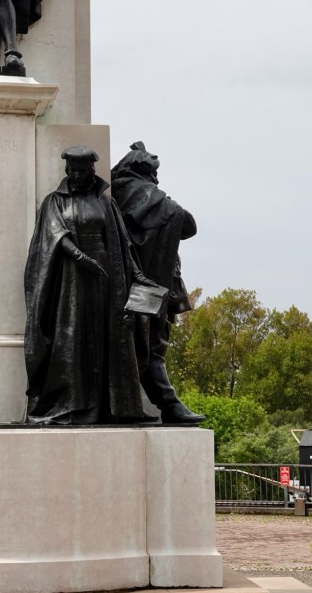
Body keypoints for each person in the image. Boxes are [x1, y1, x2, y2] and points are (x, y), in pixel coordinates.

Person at [24, 146, 153, 425]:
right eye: (72, 171)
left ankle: (106, 405)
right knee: (73, 337)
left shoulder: (105, 202)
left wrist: (136, 274)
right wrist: (82, 259)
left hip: (106, 276)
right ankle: (73, 403)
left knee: (107, 335)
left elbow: (122, 243)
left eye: (81, 171)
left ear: (91, 171)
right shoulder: (54, 201)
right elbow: (56, 235)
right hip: (72, 277)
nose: (76, 175)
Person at [111, 141, 205, 426]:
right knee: (151, 346)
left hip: (132, 285)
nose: (158, 181)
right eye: (155, 174)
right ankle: (169, 404)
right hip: (148, 287)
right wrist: (164, 201)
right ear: (146, 172)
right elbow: (187, 223)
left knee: (143, 345)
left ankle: (160, 404)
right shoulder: (151, 197)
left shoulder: (116, 195)